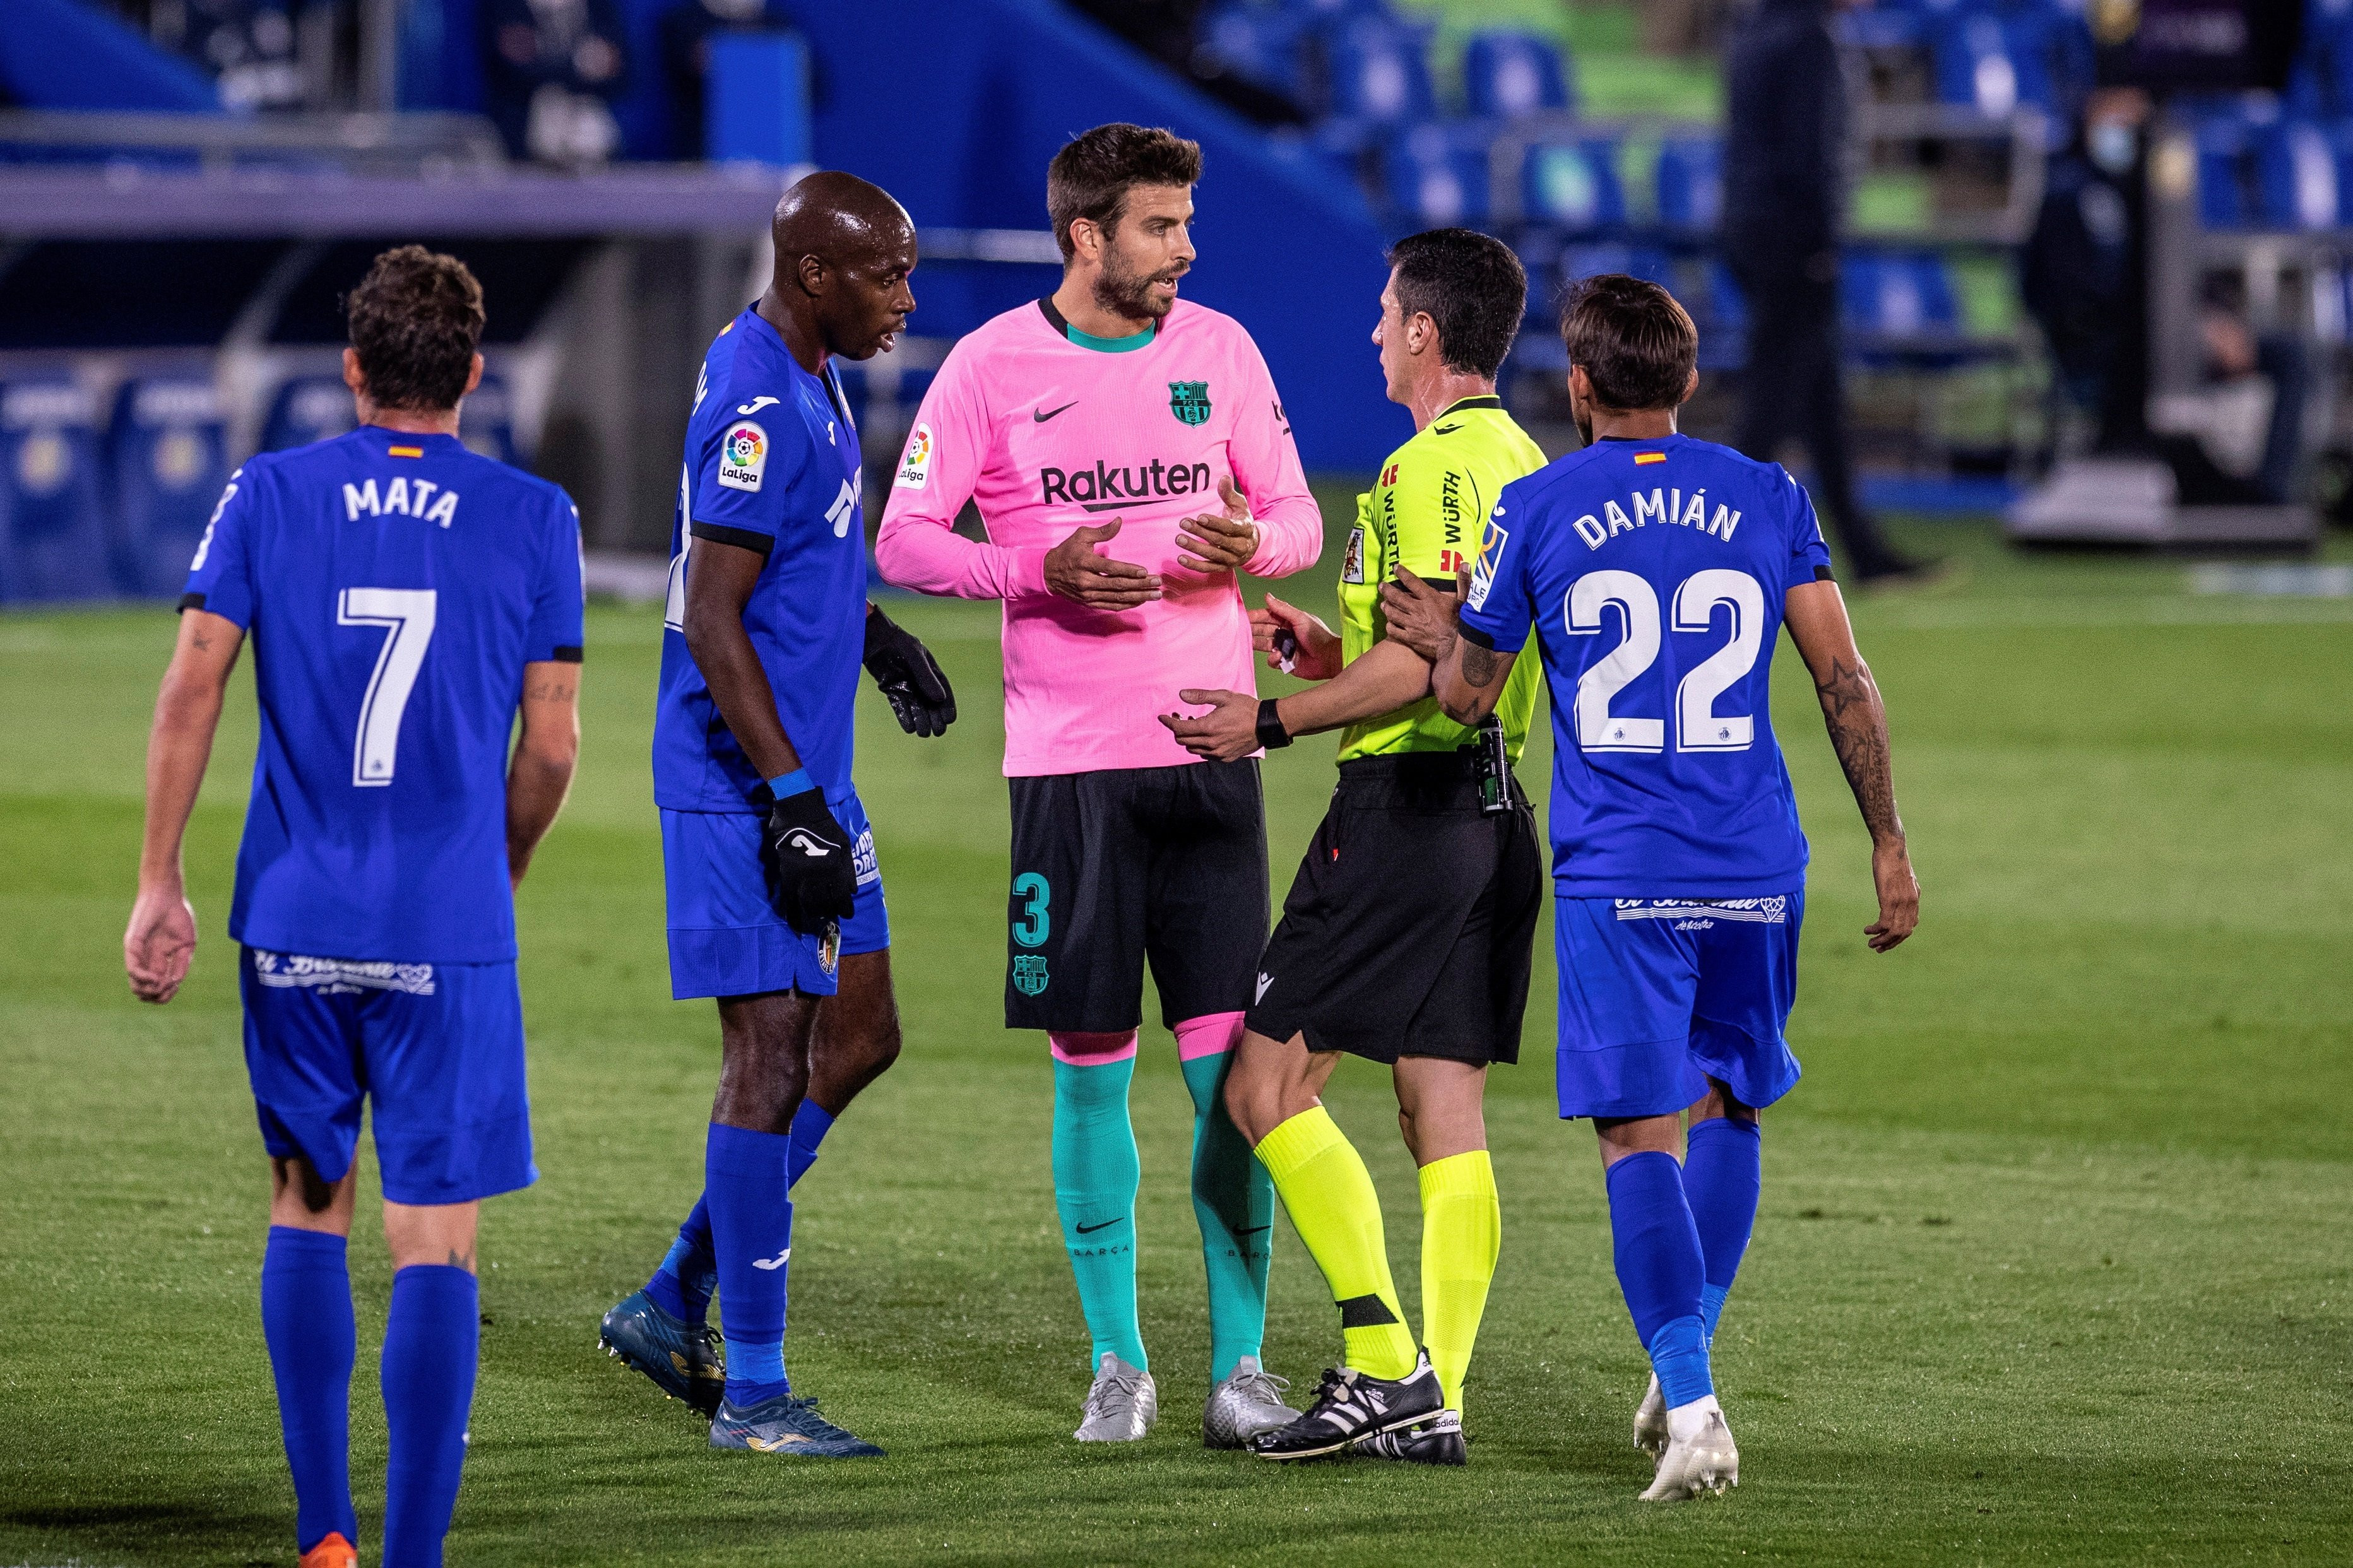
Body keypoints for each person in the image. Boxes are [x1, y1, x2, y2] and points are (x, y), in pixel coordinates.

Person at [1384, 274, 1920, 1500]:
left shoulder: (1536, 503)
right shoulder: (1766, 496)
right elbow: (1844, 680)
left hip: (1620, 873)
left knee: (1640, 1129)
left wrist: (1435, 630)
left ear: (1577, 386)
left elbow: (1468, 699)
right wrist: (1887, 840)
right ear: (1685, 384)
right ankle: (1685, 1359)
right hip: (1756, 861)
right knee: (1732, 1102)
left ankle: (1691, 1404)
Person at [123, 245, 584, 1568]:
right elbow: (550, 750)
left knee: (306, 1202)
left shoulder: (269, 493)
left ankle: (324, 1534)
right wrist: (497, 876)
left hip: (293, 915)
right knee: (435, 1233)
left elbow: (190, 685)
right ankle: (412, 1558)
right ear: (474, 378)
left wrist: (162, 879)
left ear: (350, 371)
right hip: (447, 923)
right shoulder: (534, 516)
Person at [875, 122, 1322, 1446]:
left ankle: (1241, 1370)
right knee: (1087, 1069)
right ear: (1087, 237)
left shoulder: (1222, 352)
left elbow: (1296, 515)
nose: (1186, 248)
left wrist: (1256, 543)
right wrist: (1036, 571)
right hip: (1069, 770)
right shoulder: (991, 366)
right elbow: (903, 535)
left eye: (1186, 224)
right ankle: (1117, 1361)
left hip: (1208, 753)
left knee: (1226, 1078)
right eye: (1160, 226)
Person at [1160, 228, 1548, 1466]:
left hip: (1406, 814)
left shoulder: (1429, 466)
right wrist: (1333, 662)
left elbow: (1426, 665)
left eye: (1388, 314)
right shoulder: (1522, 461)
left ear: (1428, 333)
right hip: (1495, 814)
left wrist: (1270, 718)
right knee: (1446, 1109)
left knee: (1264, 1088)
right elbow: (1452, 663)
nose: (1376, 332)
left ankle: (1384, 1362)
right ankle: (1437, 1402)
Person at [598, 171, 955, 1460]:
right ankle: (752, 1394)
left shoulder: (811, 366)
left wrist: (874, 635)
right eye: (888, 277)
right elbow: (710, 613)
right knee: (767, 1062)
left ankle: (671, 1294)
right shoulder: (757, 395)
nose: (908, 301)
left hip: (811, 775)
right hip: (747, 784)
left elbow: (792, 560)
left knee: (859, 1034)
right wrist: (793, 800)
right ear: (815, 274)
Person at [1722, 0, 1933, 584]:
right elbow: (1807, 152)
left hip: (1755, 231)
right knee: (1770, 407)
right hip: (1794, 238)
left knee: (1819, 405)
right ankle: (1710, 543)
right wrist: (1820, 241)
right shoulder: (1809, 40)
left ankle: (1866, 553)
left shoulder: (1756, 30)